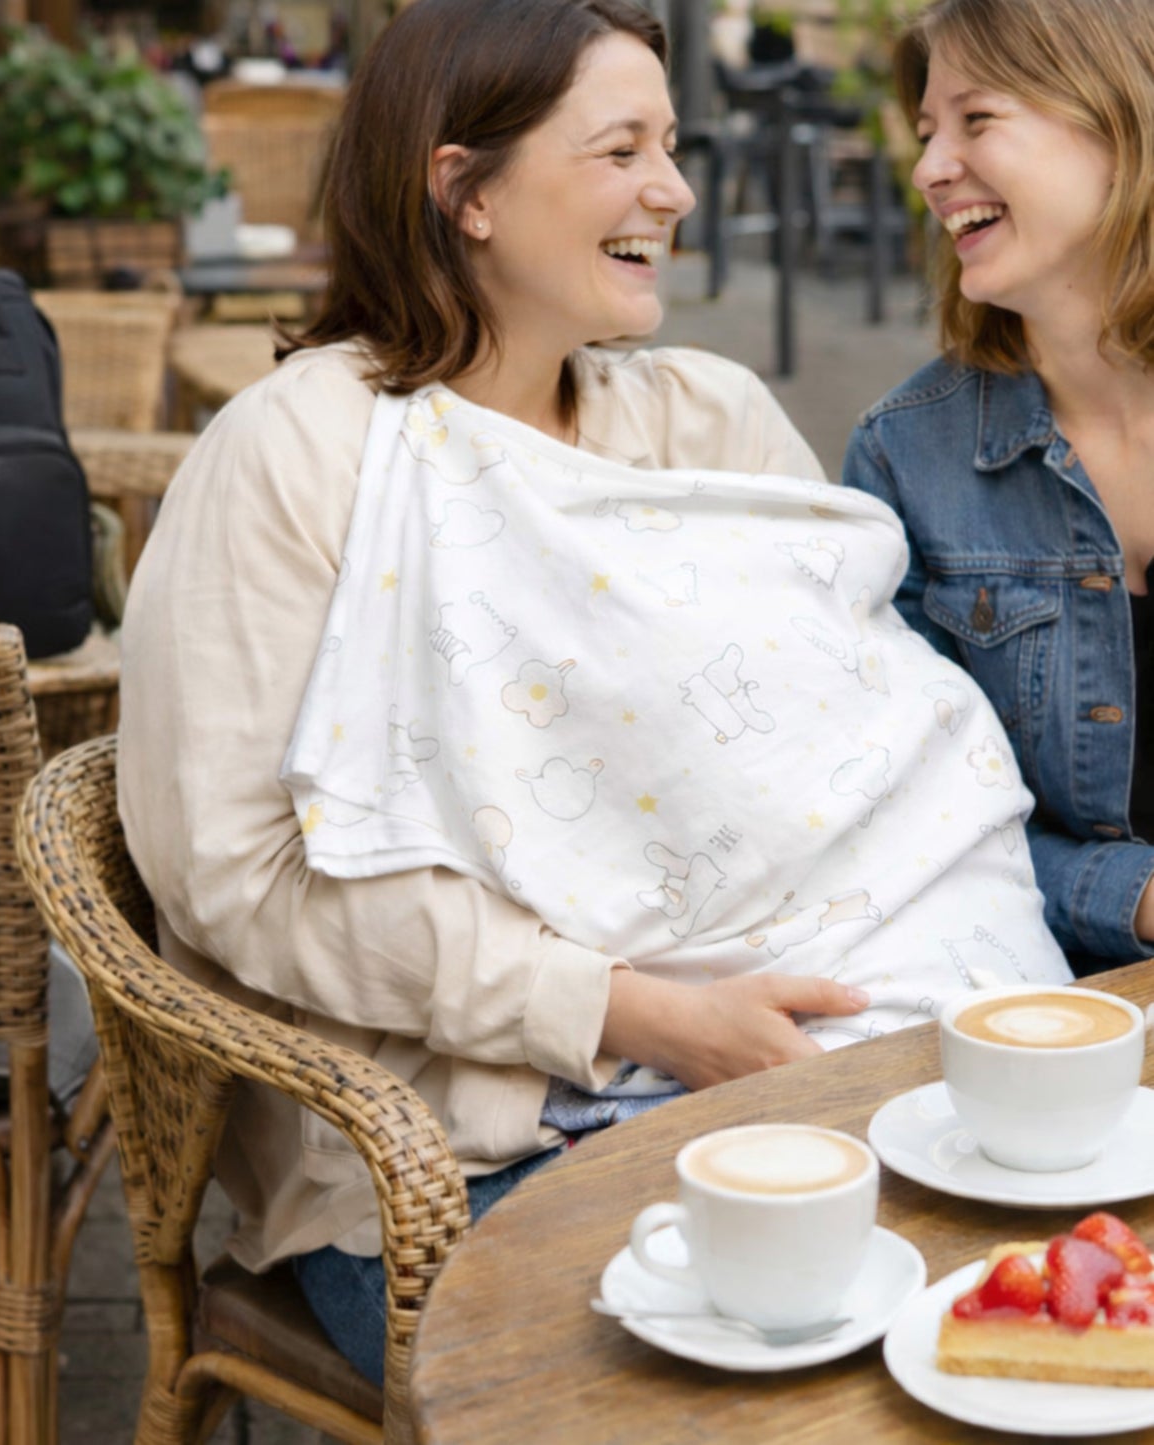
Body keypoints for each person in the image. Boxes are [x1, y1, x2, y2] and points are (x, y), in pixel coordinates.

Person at [118, 0, 1067, 1385]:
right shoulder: (301, 457)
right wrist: (625, 1010)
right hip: (466, 1152)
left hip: (820, 1064)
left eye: (670, 146)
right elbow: (234, 874)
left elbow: (875, 755)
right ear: (465, 191)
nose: (673, 191)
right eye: (621, 149)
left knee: (1037, 1326)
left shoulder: (707, 421)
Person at [843, 0, 1154, 975]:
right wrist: (1133, 899)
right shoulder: (904, 455)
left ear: (1118, 117)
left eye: (975, 121)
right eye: (928, 132)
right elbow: (910, 821)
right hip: (1052, 1009)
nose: (929, 169)